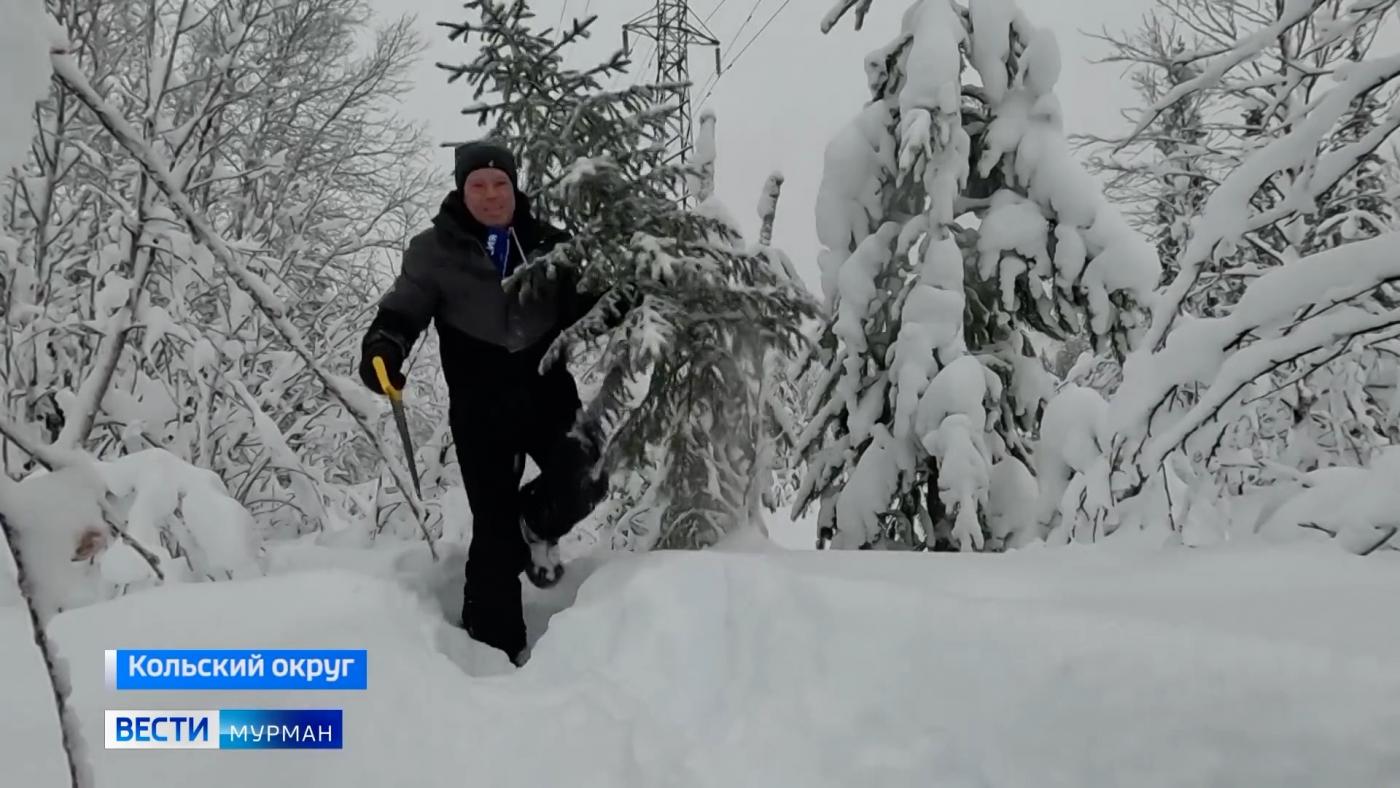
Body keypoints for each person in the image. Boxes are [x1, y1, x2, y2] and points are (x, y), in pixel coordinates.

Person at [357, 140, 616, 665]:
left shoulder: (549, 244)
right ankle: (494, 651)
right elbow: (404, 308)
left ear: (514, 187)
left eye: (501, 184)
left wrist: (624, 298)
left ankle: (536, 528)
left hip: (547, 392)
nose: (492, 195)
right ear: (462, 189)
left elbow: (589, 305)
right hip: (481, 409)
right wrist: (384, 344)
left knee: (589, 474)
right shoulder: (434, 250)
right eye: (479, 185)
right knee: (492, 534)